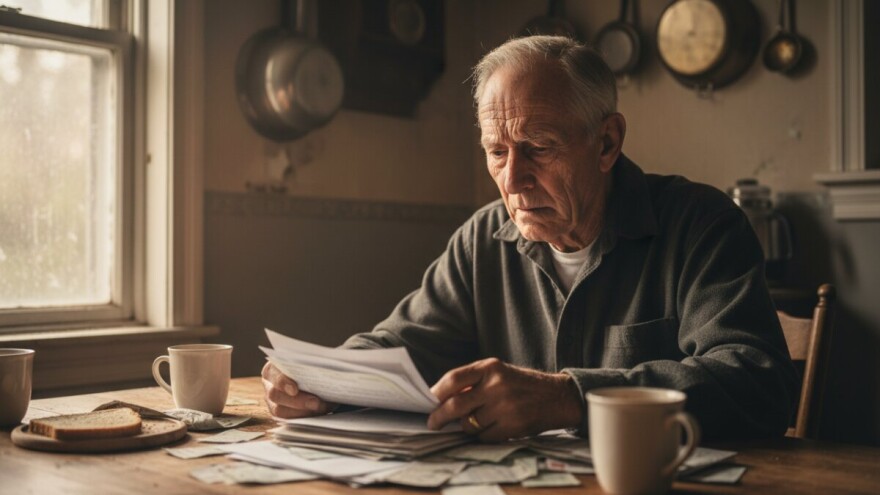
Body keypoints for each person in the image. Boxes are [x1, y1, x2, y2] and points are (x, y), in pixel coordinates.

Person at [262, 35, 798, 442]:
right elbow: (402, 345)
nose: (513, 179)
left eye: (538, 147)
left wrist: (570, 398)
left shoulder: (700, 225)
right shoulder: (481, 239)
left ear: (607, 142)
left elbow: (756, 385)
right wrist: (322, 378)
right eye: (497, 151)